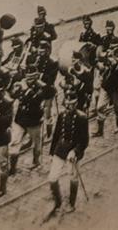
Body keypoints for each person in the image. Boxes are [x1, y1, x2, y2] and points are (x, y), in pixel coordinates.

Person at [45, 91, 89, 220]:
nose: (69, 106)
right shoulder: (62, 115)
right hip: (60, 149)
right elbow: (56, 135)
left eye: (72, 104)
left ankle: (71, 203)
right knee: (52, 178)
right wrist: (51, 152)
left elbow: (84, 141)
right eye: (68, 104)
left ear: (76, 103)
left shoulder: (82, 118)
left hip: (73, 153)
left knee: (73, 177)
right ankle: (57, 202)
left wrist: (75, 151)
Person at [9, 65, 49, 174]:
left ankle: (36, 162)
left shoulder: (42, 87)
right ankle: (12, 168)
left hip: (33, 119)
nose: (29, 80)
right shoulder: (22, 84)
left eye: (31, 77)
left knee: (36, 142)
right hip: (21, 118)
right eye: (27, 77)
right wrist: (15, 89)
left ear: (36, 76)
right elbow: (13, 96)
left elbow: (34, 101)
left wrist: (26, 89)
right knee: (15, 142)